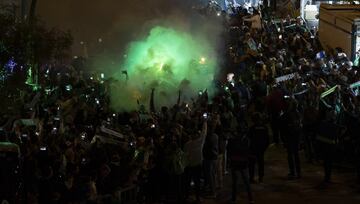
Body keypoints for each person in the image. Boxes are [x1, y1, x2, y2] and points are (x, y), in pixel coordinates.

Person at [227, 124, 254, 204]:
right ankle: (250, 199)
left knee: (236, 182)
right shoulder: (246, 140)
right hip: (242, 162)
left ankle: (234, 199)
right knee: (245, 181)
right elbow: (248, 150)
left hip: (236, 162)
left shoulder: (233, 140)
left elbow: (229, 150)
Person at [183, 120, 207, 203]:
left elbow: (185, 156)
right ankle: (196, 197)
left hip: (191, 166)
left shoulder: (187, 144)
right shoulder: (199, 142)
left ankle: (188, 196)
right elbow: (204, 133)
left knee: (190, 182)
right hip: (195, 165)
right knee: (196, 183)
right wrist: (205, 122)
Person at [249, 113, 270, 183]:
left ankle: (251, 178)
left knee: (252, 164)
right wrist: (264, 148)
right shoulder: (265, 127)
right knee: (261, 163)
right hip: (261, 149)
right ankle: (261, 177)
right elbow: (267, 140)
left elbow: (249, 139)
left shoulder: (252, 128)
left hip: (253, 149)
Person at [202, 114, 220, 198]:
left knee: (210, 176)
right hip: (214, 158)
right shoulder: (216, 136)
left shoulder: (208, 138)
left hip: (209, 158)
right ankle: (212, 189)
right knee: (212, 175)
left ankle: (213, 193)